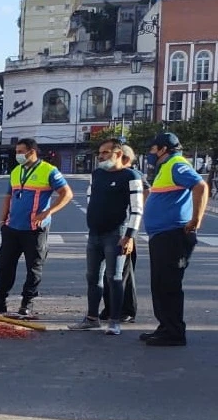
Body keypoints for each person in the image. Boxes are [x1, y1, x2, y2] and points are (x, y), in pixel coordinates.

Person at [0, 138, 73, 317]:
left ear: (32, 152)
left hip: (35, 228)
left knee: (34, 267)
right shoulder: (16, 171)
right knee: (5, 265)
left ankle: (27, 303)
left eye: (21, 151)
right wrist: (2, 220)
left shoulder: (49, 171)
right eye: (17, 152)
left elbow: (66, 194)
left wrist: (47, 213)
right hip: (12, 227)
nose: (18, 155)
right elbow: (9, 196)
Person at [141, 132, 208, 347]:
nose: (150, 154)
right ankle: (166, 326)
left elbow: (201, 186)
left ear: (163, 149)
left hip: (172, 235)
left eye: (152, 149)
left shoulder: (176, 164)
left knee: (168, 285)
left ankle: (174, 332)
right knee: (160, 284)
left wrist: (196, 219)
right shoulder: (166, 167)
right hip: (162, 236)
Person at [69, 139, 142, 335]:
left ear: (118, 154)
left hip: (116, 235)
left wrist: (130, 236)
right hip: (94, 234)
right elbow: (90, 198)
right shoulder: (97, 174)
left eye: (105, 152)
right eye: (100, 153)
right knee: (93, 277)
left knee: (114, 278)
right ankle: (92, 318)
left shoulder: (130, 176)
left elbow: (137, 209)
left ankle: (114, 321)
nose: (100, 156)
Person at [99, 142, 141, 323]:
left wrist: (130, 232)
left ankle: (125, 310)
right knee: (109, 273)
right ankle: (110, 308)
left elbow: (142, 198)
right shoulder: (107, 175)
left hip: (124, 229)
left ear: (123, 158)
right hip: (107, 229)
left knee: (122, 274)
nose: (102, 157)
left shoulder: (132, 176)